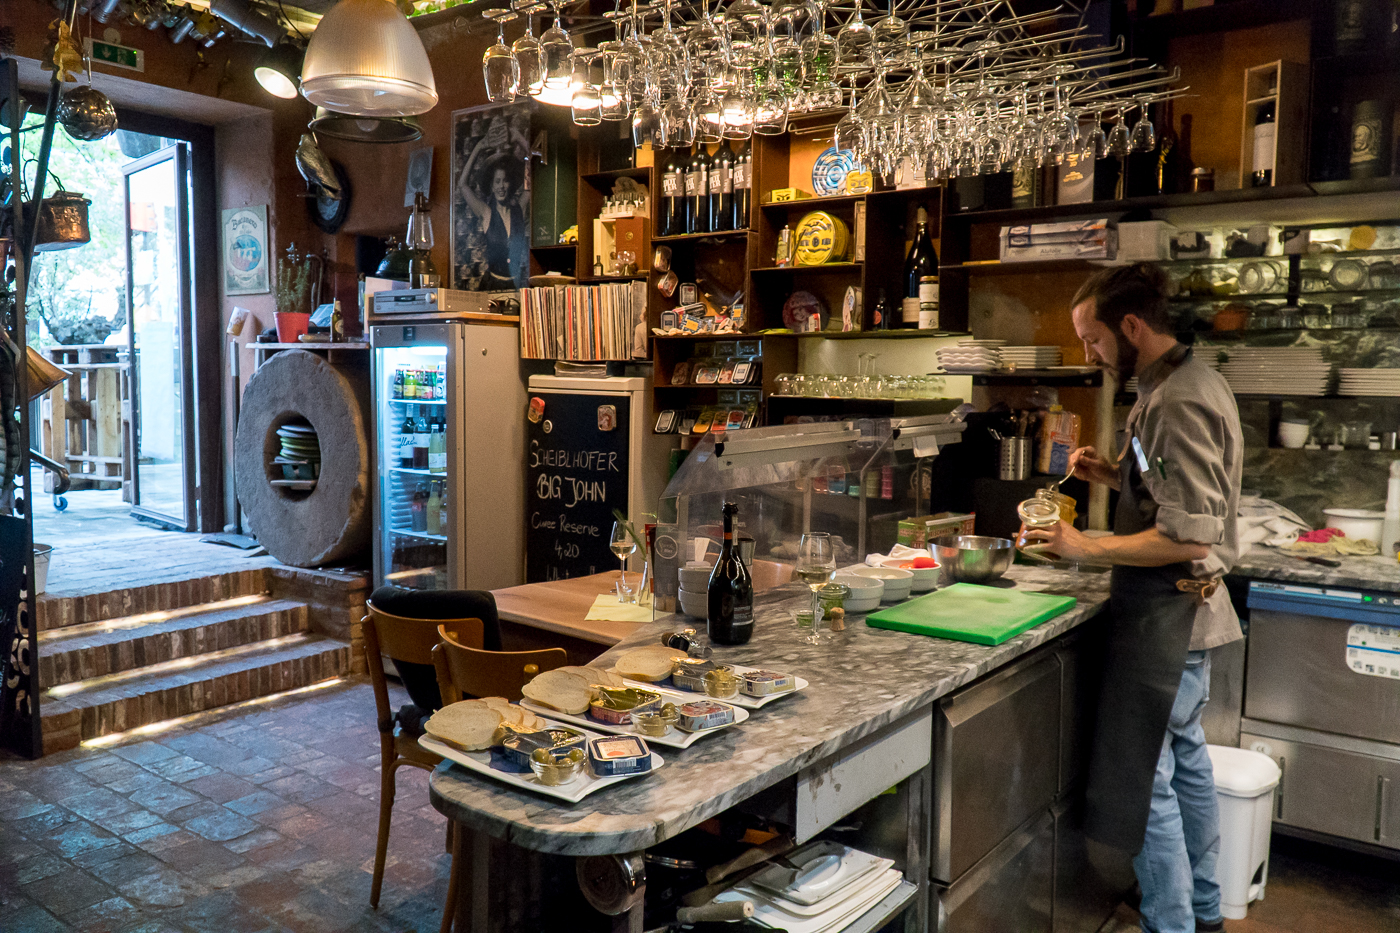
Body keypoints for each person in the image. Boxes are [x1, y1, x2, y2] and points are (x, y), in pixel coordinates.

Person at [1020, 263, 1243, 933]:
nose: (1089, 354)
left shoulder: (1178, 398)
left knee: (1147, 781)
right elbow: (1171, 486)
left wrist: (1083, 545)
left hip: (1171, 615)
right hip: (1177, 615)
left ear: (1132, 327)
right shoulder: (1172, 384)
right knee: (1185, 762)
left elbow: (1187, 534)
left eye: (1092, 339)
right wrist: (1113, 472)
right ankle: (1203, 911)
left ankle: (1171, 922)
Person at [459, 134, 531, 290]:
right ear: (491, 186)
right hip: (492, 288)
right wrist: (478, 147)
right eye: (497, 181)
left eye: (505, 180)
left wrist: (520, 139)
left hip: (518, 286)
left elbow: (532, 179)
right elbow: (463, 185)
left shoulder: (519, 209)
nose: (501, 186)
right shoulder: (486, 212)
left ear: (510, 183)